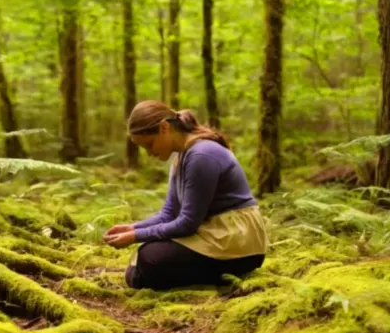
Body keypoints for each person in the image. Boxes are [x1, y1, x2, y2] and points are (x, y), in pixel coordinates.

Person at [103, 100, 269, 290]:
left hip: (237, 240)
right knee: (147, 257)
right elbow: (169, 213)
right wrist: (131, 228)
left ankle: (222, 277)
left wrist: (135, 236)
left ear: (164, 128)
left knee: (150, 259)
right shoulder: (181, 156)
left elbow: (188, 223)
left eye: (149, 144)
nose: (149, 153)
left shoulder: (201, 155)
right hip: (216, 234)